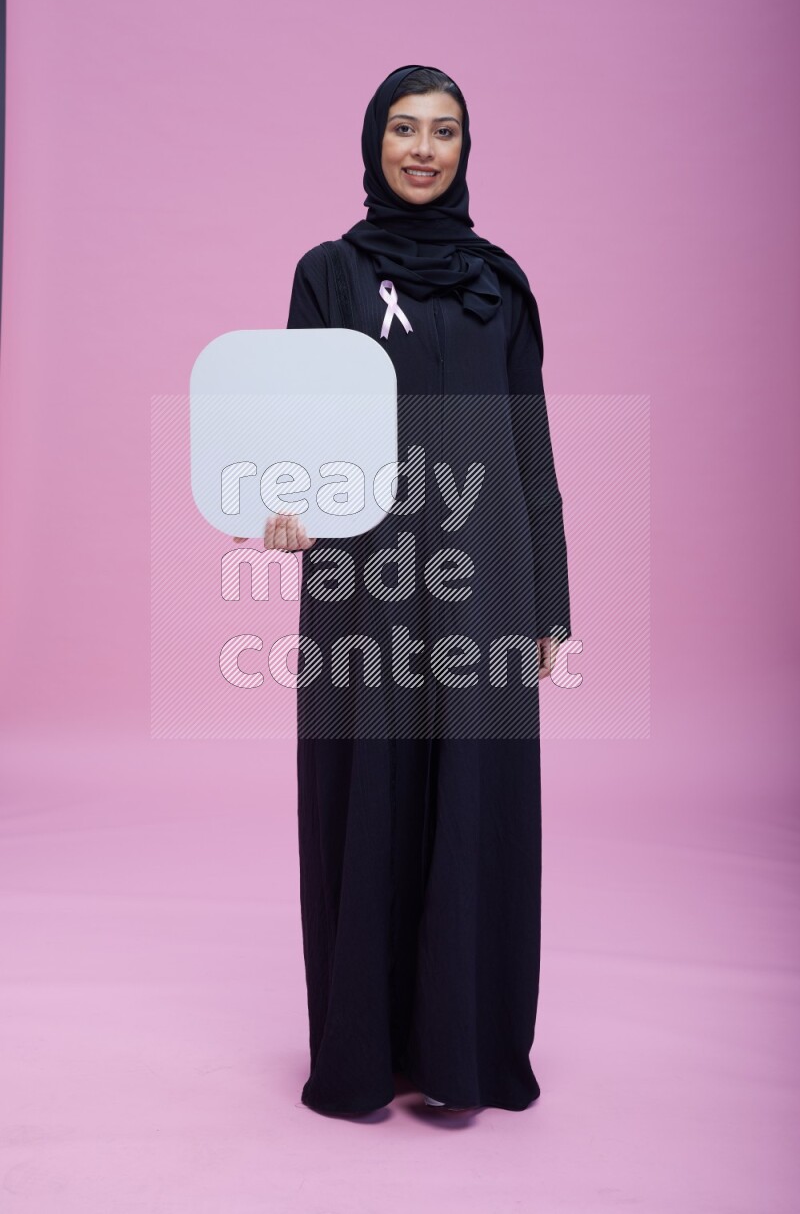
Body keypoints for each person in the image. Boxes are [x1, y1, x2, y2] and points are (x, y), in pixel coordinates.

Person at [276, 65, 571, 1115]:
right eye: (402, 128)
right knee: (371, 796)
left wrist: (549, 603)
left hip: (485, 583)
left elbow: (529, 449)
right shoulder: (330, 274)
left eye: (443, 131)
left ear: (464, 150)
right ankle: (363, 1051)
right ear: (373, 141)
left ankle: (461, 1051)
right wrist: (281, 501)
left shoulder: (502, 281)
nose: (421, 148)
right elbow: (295, 433)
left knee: (474, 806)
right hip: (364, 582)